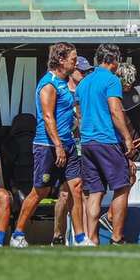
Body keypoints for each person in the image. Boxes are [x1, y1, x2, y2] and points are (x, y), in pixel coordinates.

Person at [11, 43, 88, 248]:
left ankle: (81, 238)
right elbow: (47, 117)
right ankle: (18, 233)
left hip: (69, 145)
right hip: (48, 147)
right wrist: (58, 146)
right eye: (73, 58)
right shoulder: (49, 84)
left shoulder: (65, 82)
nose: (76, 61)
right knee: (40, 192)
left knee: (76, 188)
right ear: (61, 60)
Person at [76, 43, 135, 245]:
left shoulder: (84, 82)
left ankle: (91, 239)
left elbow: (79, 114)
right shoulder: (111, 80)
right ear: (114, 61)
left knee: (95, 192)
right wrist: (127, 138)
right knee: (122, 187)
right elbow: (115, 111)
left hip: (87, 143)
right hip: (107, 141)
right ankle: (117, 237)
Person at [52, 55, 93, 244]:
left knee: (80, 190)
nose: (84, 75)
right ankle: (58, 235)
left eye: (87, 72)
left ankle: (80, 236)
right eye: (81, 71)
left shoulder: (85, 91)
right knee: (64, 193)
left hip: (82, 146)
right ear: (72, 71)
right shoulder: (61, 89)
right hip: (65, 145)